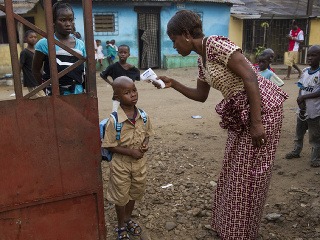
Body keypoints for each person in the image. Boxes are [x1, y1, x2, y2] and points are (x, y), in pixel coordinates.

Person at [154, 10, 288, 239]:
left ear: (186, 34)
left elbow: (250, 77)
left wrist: (257, 123)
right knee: (234, 170)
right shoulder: (201, 60)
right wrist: (173, 83)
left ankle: (243, 231)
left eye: (174, 39)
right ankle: (231, 227)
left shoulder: (216, 44)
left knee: (250, 173)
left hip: (262, 109)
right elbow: (200, 95)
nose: (173, 46)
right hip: (241, 113)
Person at [102, 76, 153, 240]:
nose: (133, 94)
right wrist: (131, 152)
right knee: (121, 196)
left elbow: (147, 135)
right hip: (121, 165)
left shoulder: (143, 116)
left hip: (139, 164)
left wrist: (144, 144)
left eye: (134, 90)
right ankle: (121, 225)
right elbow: (109, 145)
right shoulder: (114, 120)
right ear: (117, 98)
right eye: (127, 92)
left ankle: (128, 218)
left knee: (134, 192)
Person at [32, 2, 86, 96]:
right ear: (53, 21)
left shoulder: (80, 44)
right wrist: (46, 88)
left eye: (71, 20)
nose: (68, 24)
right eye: (63, 20)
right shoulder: (44, 44)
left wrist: (87, 91)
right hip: (55, 95)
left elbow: (85, 70)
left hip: (78, 93)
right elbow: (36, 70)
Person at [285, 45, 320, 167]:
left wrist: (304, 97)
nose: (310, 58)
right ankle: (296, 150)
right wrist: (300, 99)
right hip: (302, 109)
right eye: (308, 55)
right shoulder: (305, 72)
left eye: (313, 55)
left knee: (315, 136)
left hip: (315, 111)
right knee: (299, 132)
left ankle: (315, 158)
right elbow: (301, 87)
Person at [100, 44, 140, 111]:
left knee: (129, 113)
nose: (123, 54)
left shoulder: (132, 68)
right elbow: (103, 75)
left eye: (125, 52)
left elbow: (138, 78)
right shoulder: (113, 67)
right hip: (117, 97)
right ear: (117, 54)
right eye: (120, 52)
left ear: (128, 54)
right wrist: (112, 84)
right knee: (115, 113)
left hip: (129, 97)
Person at [19, 30, 45, 99]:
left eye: (35, 37)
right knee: (41, 98)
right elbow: (20, 66)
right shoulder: (25, 52)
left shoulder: (38, 51)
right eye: (31, 37)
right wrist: (17, 79)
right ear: (25, 39)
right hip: (31, 80)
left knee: (42, 98)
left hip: (40, 79)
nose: (33, 39)